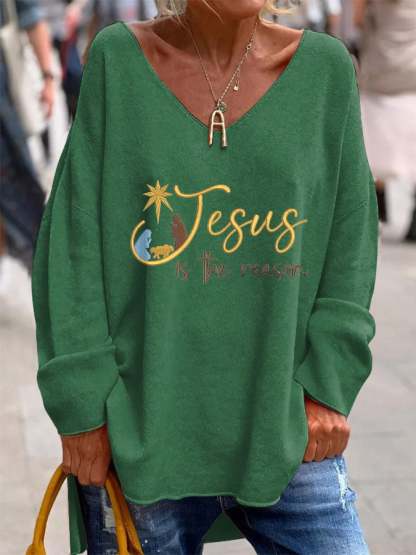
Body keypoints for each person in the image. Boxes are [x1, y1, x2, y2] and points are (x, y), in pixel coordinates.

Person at [31, 1, 379, 553]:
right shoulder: (119, 62)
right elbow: (74, 246)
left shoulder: (325, 72)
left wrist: (329, 388)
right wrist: (81, 409)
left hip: (288, 433)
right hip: (139, 439)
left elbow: (351, 242)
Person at [353, 0, 416, 241]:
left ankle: (376, 211)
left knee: (374, 152)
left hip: (381, 76)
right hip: (413, 75)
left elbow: (358, 20)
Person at [0, 0, 55, 274]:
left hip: (5, 117)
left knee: (20, 198)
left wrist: (47, 77)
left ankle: (46, 275)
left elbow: (32, 17)